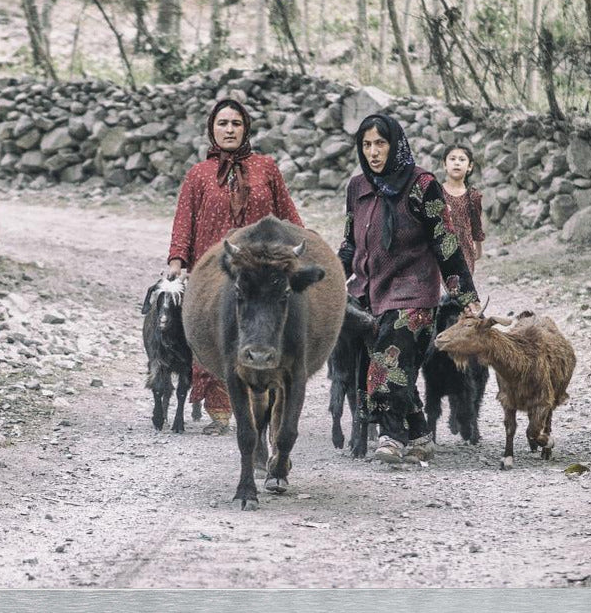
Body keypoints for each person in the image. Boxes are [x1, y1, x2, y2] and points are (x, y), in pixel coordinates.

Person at [338, 114, 480, 464]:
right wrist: (326, 279)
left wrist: (466, 298)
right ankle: (418, 429)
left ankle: (391, 435)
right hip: (368, 293)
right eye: (366, 144)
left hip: (412, 293)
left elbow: (446, 244)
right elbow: (349, 245)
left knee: (387, 363)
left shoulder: (422, 184)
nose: (373, 152)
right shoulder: (357, 187)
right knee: (390, 364)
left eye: (380, 143)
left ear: (395, 144)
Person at [167, 98, 304, 434]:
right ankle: (220, 407)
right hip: (214, 266)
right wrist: (176, 260)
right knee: (218, 331)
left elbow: (287, 214)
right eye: (222, 124)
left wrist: (303, 247)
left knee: (261, 325)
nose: (229, 130)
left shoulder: (266, 167)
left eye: (236, 124)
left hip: (260, 269)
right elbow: (184, 220)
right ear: (212, 129)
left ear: (246, 129)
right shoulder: (198, 174)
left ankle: (264, 399)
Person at [440, 144, 485, 274]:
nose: (457, 163)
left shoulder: (473, 195)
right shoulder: (437, 192)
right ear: (445, 164)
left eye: (462, 159)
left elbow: (476, 223)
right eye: (452, 159)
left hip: (465, 249)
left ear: (470, 167)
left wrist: (479, 248)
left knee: (463, 288)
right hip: (441, 249)